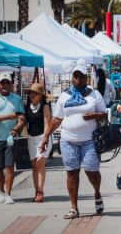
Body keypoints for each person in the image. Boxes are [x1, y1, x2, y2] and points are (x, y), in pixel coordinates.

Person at [41, 60, 107, 219]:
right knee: (71, 172)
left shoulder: (94, 94)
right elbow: (57, 118)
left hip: (89, 139)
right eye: (75, 76)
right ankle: (74, 208)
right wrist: (46, 137)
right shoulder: (64, 95)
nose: (78, 79)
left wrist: (94, 115)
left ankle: (97, 192)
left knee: (92, 171)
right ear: (72, 77)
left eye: (81, 76)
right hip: (68, 139)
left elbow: (104, 114)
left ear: (86, 78)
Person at [0, 72, 26, 205]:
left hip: (10, 138)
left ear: (11, 85)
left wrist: (16, 128)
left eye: (7, 82)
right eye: (2, 82)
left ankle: (8, 194)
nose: (5, 85)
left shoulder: (17, 99)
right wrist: (7, 117)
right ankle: (1, 192)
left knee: (9, 167)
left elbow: (21, 118)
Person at [24, 82, 52, 203]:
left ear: (40, 95)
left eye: (35, 93)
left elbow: (47, 124)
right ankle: (37, 191)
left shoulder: (45, 106)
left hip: (43, 136)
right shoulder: (27, 107)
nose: (32, 95)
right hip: (31, 137)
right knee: (34, 165)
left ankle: (40, 191)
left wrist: (45, 140)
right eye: (31, 93)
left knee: (40, 163)